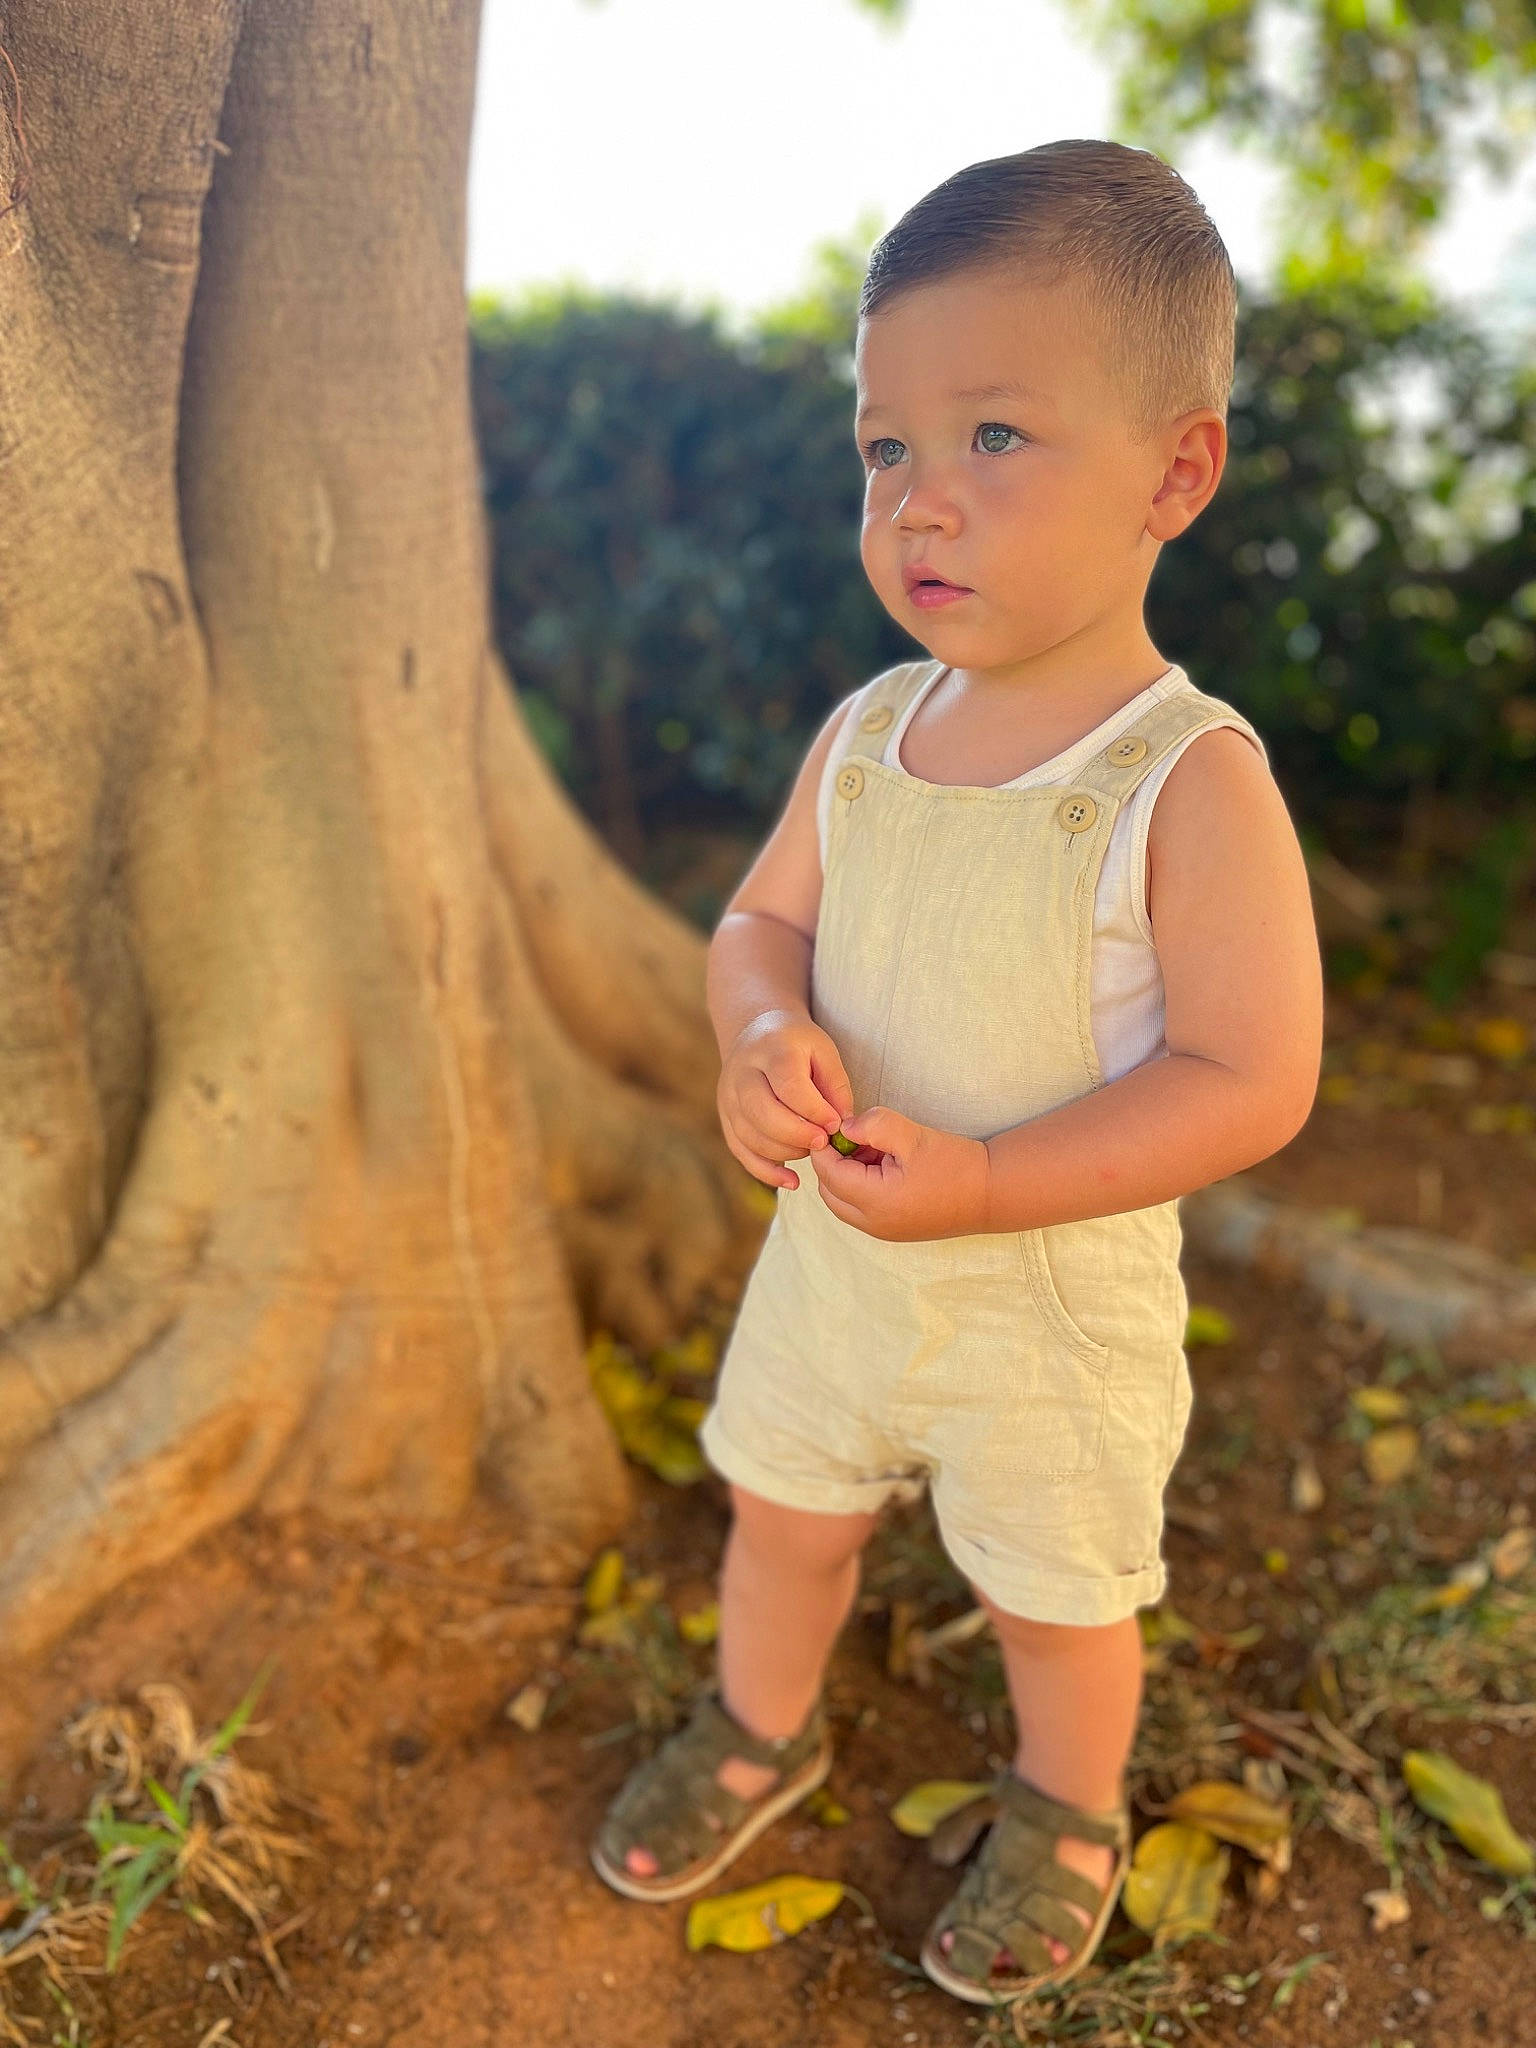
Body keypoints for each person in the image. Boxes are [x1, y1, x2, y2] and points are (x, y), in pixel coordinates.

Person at [589, 135, 1323, 2005]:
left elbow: (1255, 1075)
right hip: (837, 1266)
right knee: (782, 1516)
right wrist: (762, 1032)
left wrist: (999, 1182)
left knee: (1058, 1598)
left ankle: (1068, 1804)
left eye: (993, 439)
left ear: (1177, 471)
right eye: (883, 447)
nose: (920, 501)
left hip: (1049, 1310)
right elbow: (756, 929)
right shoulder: (867, 733)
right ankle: (766, 1729)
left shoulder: (1187, 777)